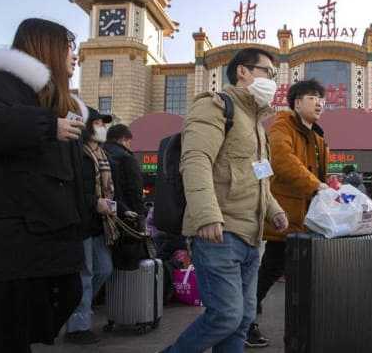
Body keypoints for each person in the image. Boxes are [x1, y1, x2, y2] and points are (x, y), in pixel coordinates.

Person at [0, 18, 87, 352]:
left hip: (34, 242)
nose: (75, 58)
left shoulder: (46, 97)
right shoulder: (5, 82)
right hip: (8, 247)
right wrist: (44, 126)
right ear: (47, 48)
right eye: (70, 49)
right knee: (2, 337)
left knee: (23, 327)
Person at [162, 48, 288, 353]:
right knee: (226, 316)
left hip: (250, 236)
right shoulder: (215, 106)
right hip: (218, 232)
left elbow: (261, 178)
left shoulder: (258, 126)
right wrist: (206, 214)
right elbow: (196, 159)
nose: (272, 80)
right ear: (242, 71)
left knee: (242, 319)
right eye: (267, 72)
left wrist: (275, 211)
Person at [246, 79, 329, 347]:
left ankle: (258, 321)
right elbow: (281, 160)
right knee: (272, 271)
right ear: (296, 102)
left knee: (279, 272)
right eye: (313, 97)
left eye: (321, 98)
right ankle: (247, 321)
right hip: (285, 216)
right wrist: (317, 185)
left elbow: (317, 175)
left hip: (307, 220)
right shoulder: (283, 125)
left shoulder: (317, 136)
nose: (319, 102)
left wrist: (328, 187)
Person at [65, 107, 119, 345]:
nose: (102, 127)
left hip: (100, 224)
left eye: (103, 123)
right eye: (97, 122)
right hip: (80, 223)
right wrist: (93, 202)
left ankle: (79, 311)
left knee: (104, 269)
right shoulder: (76, 152)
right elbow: (71, 189)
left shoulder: (102, 155)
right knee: (84, 276)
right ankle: (77, 327)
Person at [104, 124, 147, 217]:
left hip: (104, 208)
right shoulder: (126, 158)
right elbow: (135, 188)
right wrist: (140, 213)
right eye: (129, 142)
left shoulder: (100, 153)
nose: (129, 145)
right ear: (123, 139)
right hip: (126, 211)